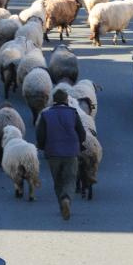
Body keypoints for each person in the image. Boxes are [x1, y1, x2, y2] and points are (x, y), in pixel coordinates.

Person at [36, 87, 86, 220]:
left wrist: (42, 146)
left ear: (53, 101)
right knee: (70, 179)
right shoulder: (73, 113)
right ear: (66, 100)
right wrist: (79, 145)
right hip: (71, 152)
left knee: (58, 180)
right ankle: (67, 199)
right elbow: (82, 133)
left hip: (53, 153)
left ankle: (62, 202)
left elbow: (40, 134)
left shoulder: (46, 115)